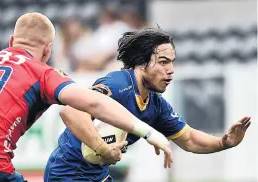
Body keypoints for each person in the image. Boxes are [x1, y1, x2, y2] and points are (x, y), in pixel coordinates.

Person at [0, 13, 172, 182]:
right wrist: (148, 132)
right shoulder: (40, 72)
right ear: (48, 50)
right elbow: (93, 102)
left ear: (12, 42)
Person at [44, 28, 251, 182]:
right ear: (141, 63)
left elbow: (189, 139)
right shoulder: (118, 85)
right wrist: (102, 148)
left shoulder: (156, 105)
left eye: (172, 62)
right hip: (66, 173)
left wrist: (223, 143)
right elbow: (70, 112)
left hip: (98, 176)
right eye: (163, 62)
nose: (170, 70)